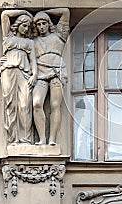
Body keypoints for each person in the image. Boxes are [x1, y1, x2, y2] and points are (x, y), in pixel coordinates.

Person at [32, 8, 70, 145]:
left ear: (49, 24)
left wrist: (43, 8)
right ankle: (42, 138)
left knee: (55, 105)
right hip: (40, 73)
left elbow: (65, 12)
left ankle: (52, 139)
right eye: (38, 24)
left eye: (44, 23)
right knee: (36, 103)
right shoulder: (33, 41)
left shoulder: (59, 36)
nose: (41, 27)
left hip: (56, 72)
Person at [0, 10, 37, 145]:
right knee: (10, 104)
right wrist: (25, 11)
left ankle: (25, 139)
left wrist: (35, 75)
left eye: (28, 27)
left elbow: (33, 60)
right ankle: (13, 138)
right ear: (18, 24)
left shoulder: (29, 42)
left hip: (25, 73)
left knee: (25, 104)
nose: (26, 29)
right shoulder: (8, 37)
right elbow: (5, 16)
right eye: (24, 25)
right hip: (8, 70)